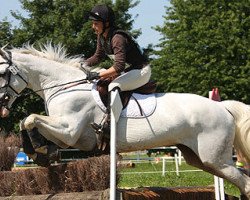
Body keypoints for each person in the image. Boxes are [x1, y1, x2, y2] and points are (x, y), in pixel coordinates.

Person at [82, 4, 151, 140]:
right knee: (102, 78)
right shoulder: (102, 36)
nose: (93, 27)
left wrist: (97, 74)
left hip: (141, 71)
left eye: (96, 23)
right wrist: (80, 64)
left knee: (113, 86)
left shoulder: (117, 38)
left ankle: (110, 125)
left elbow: (118, 66)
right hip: (128, 71)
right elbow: (97, 56)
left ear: (106, 23)